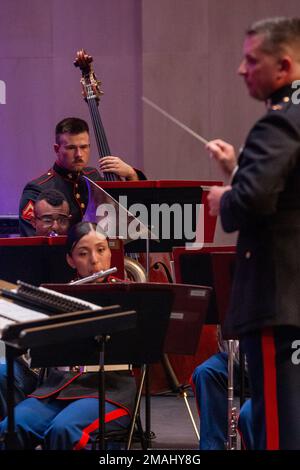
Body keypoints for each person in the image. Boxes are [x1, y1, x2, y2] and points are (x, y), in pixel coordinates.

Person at [206, 17, 300, 449]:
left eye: (250, 60)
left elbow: (257, 201)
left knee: (279, 429)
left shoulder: (278, 123)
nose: (241, 70)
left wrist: (225, 198)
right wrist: (241, 172)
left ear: (283, 66)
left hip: (277, 302)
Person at [0, 222, 136, 449]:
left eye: (101, 250)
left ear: (110, 253)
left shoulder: (130, 295)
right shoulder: (58, 297)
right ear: (70, 260)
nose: (94, 260)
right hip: (55, 390)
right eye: (83, 253)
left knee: (64, 430)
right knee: (12, 426)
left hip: (109, 391)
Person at [19, 117, 146, 236]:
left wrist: (131, 174)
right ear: (57, 149)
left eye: (84, 147)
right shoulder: (37, 189)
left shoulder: (93, 177)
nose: (79, 154)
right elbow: (31, 241)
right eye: (71, 148)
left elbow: (129, 214)